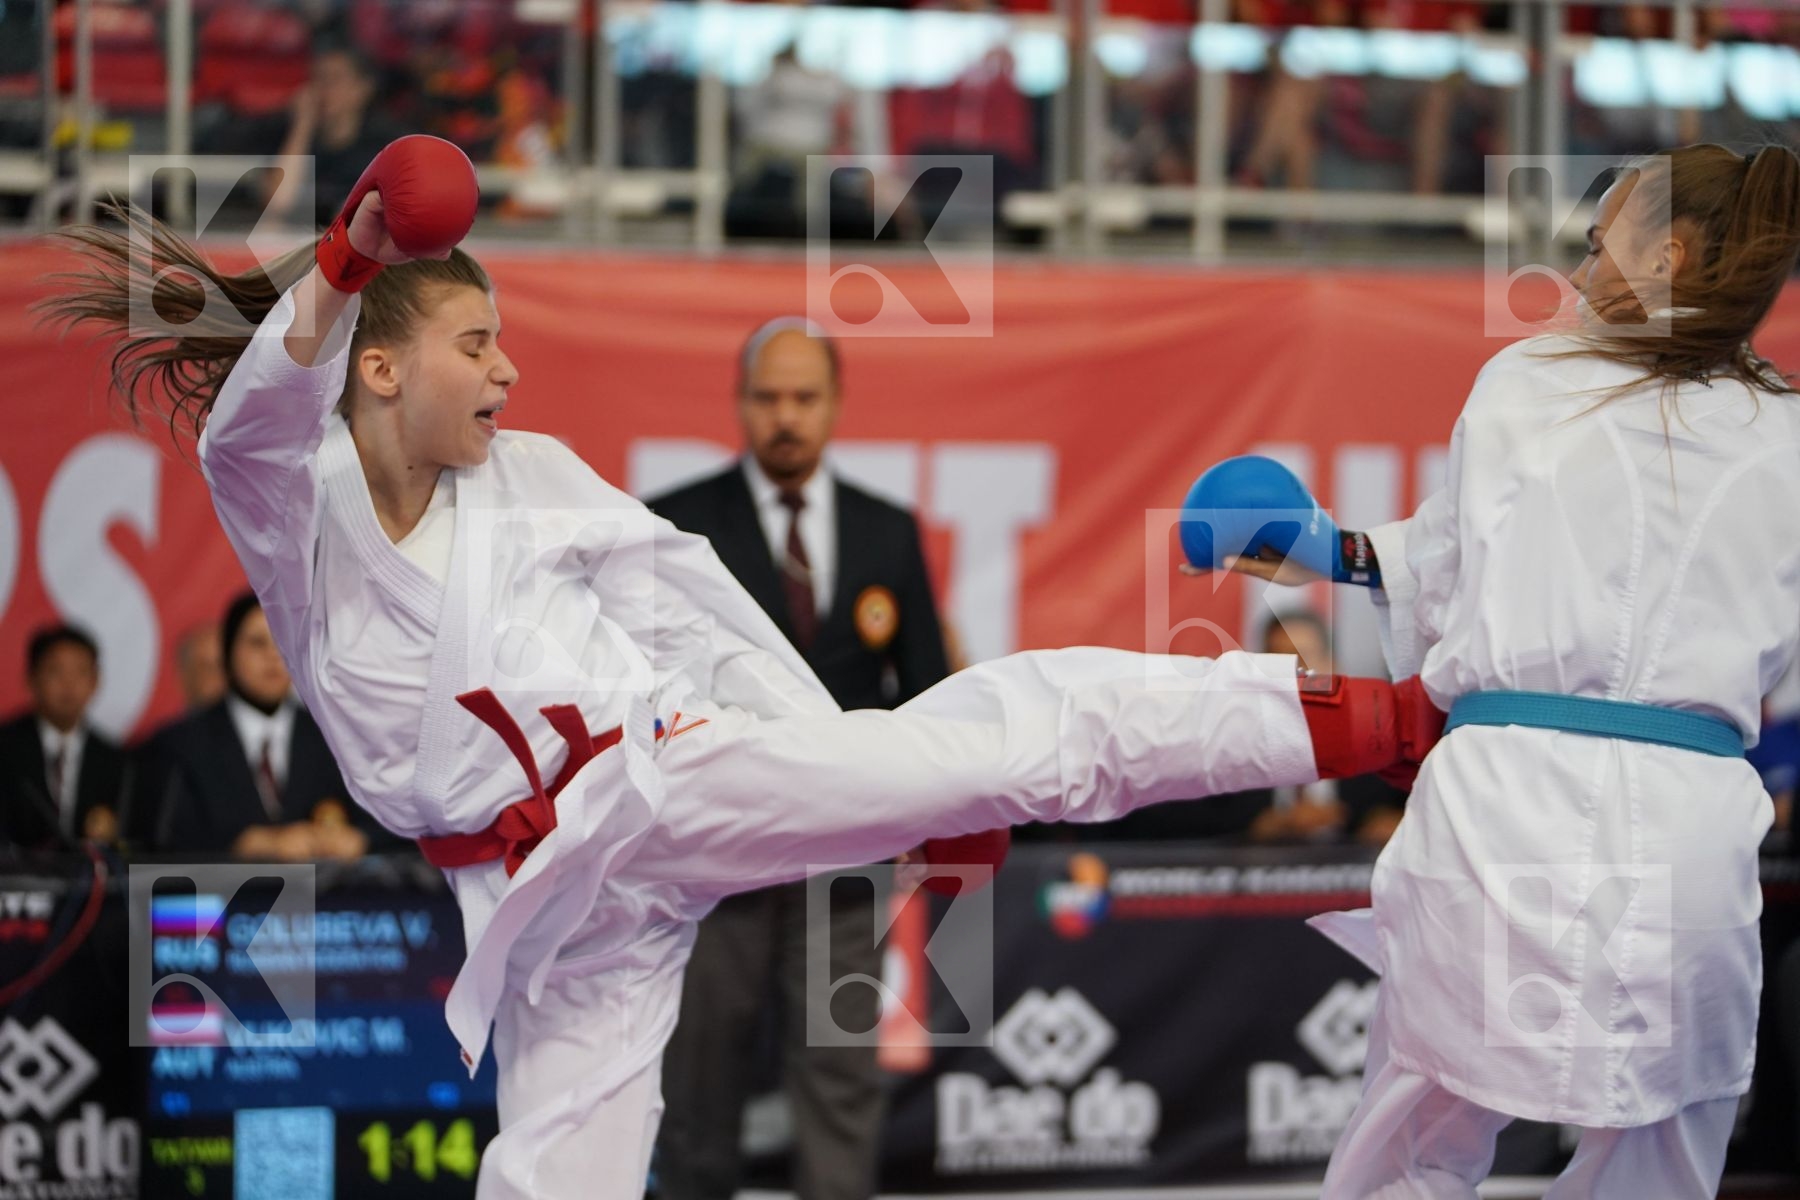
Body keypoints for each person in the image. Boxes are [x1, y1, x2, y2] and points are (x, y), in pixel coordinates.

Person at [38, 135, 1440, 1200]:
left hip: (664, 777)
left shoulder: (528, 476)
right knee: (562, 1173)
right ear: (384, 368)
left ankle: (1357, 716)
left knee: (999, 736)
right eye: (477, 344)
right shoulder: (305, 509)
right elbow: (252, 426)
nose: (509, 372)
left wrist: (855, 774)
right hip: (554, 904)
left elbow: (692, 601)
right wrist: (346, 255)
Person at [1201, 142, 1800, 1197]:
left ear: (1672, 253)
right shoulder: (1787, 438)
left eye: (1596, 243)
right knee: (1663, 1151)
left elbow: (1455, 575)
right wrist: (1333, 549)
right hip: (1693, 826)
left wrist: (1330, 555)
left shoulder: (1535, 377)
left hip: (1508, 802)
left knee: (1418, 1127)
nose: (1574, 275)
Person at [650, 319, 950, 1200]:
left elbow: (927, 690)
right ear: (740, 403)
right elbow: (644, 686)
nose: (786, 416)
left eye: (804, 398)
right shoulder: (678, 525)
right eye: (769, 397)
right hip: (717, 854)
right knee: (698, 1086)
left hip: (844, 859)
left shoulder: (887, 532)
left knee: (840, 1087)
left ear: (835, 404)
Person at [142, 591, 369, 861]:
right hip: (224, 900)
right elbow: (157, 842)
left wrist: (360, 838)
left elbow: (393, 820)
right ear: (228, 653)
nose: (273, 656)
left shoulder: (333, 736)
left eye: (282, 642)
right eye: (257, 643)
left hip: (328, 899)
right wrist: (241, 844)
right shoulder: (180, 745)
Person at [0, 625, 131, 851]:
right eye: (55, 671)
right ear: (31, 678)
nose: (68, 684)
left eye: (80, 672)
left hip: (88, 883)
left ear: (96, 681)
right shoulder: (5, 748)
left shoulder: (116, 761)